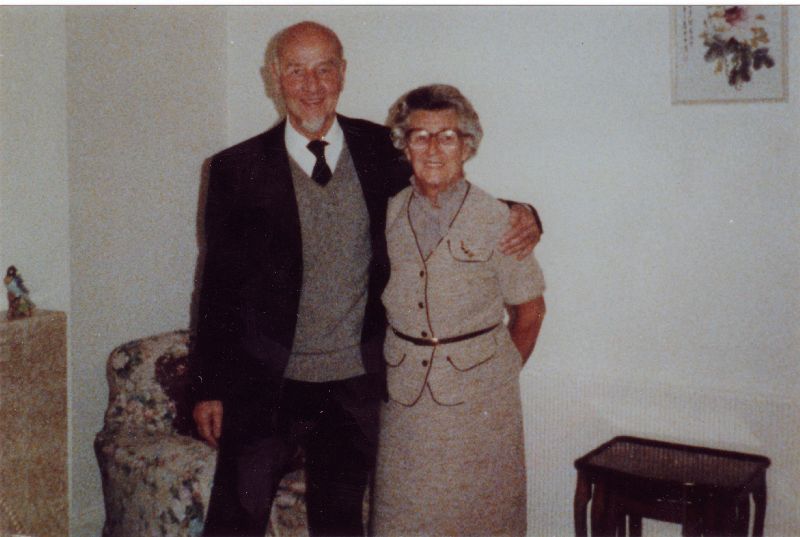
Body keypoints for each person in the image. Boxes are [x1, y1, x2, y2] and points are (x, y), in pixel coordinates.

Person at [191, 22, 541, 537]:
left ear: (343, 73)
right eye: (297, 71)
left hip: (352, 387)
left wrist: (522, 213)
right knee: (235, 522)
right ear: (274, 76)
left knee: (340, 524)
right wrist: (207, 387)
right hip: (265, 385)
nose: (312, 85)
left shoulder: (382, 150)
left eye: (324, 69)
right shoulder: (234, 169)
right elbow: (216, 288)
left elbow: (443, 186)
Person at [372, 84, 546, 536]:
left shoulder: (499, 220)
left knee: (480, 519)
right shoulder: (385, 213)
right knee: (400, 519)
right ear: (404, 145)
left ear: (467, 145)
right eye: (420, 136)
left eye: (447, 137)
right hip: (404, 407)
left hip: (480, 413)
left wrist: (495, 376)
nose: (433, 149)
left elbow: (531, 312)